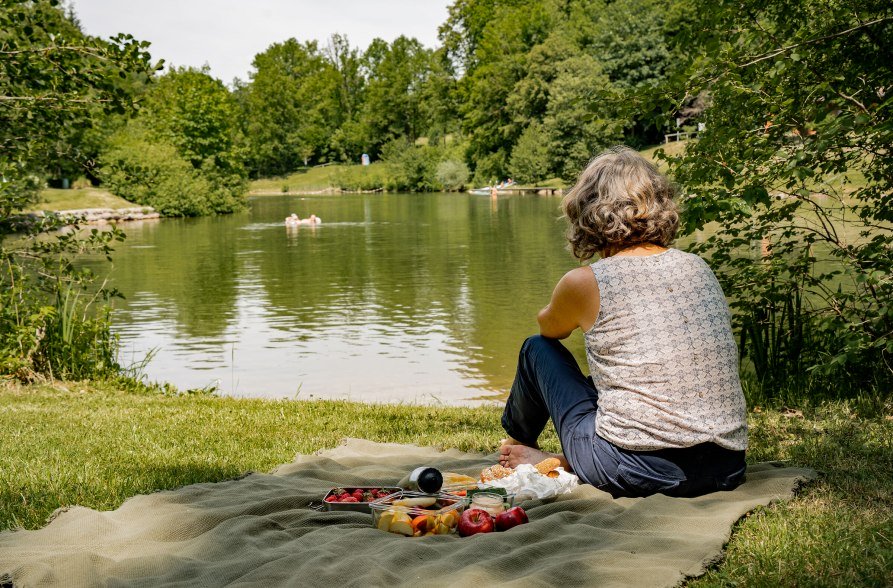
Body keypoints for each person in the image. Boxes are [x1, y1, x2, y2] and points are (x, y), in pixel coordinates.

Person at [498, 146, 748, 498]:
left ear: (587, 212)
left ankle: (514, 457)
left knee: (536, 349)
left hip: (636, 470)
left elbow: (548, 329)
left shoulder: (586, 282)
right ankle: (554, 459)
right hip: (726, 466)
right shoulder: (698, 266)